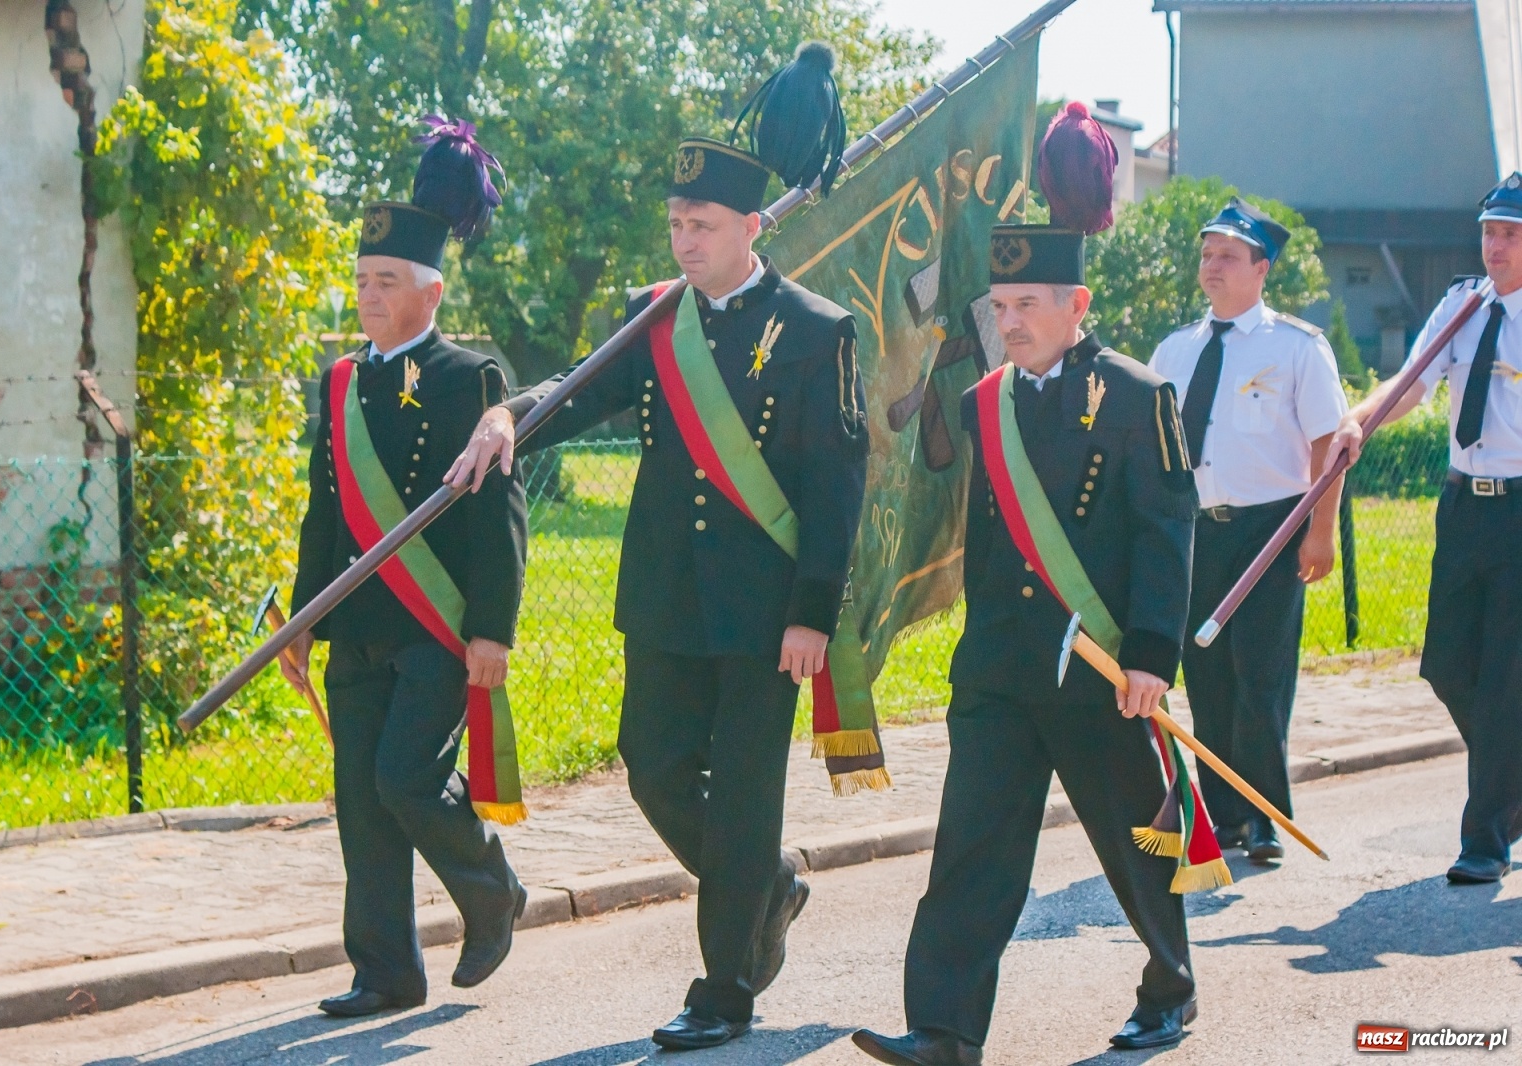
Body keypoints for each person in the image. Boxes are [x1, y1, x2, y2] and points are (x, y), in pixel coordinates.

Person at [446, 43, 866, 1053]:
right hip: (667, 598)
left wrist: (813, 611)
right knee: (653, 771)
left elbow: (835, 485)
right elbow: (575, 394)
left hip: (766, 614)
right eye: (675, 224)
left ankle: (724, 989)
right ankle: (765, 884)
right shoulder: (653, 321)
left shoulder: (816, 331)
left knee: (747, 796)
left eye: (702, 225)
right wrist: (507, 415)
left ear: (751, 226)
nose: (684, 241)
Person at [853, 105, 1215, 1064]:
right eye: (1001, 306)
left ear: (1076, 305)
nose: (1008, 323)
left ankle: (1169, 986)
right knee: (970, 852)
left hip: (1102, 671)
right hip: (1002, 672)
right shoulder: (985, 402)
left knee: (1137, 843)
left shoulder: (1138, 397)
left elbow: (1166, 532)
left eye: (1026, 306)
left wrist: (1151, 657)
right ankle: (944, 1028)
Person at [285, 117, 529, 1017]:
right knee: (360, 801)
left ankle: (492, 890)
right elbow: (324, 512)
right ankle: (385, 970)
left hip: (434, 627)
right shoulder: (341, 383)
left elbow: (500, 517)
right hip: (357, 625)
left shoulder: (471, 379)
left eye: (386, 282)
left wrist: (491, 631)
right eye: (361, 281)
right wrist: (302, 622)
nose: (368, 296)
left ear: (430, 291)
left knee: (405, 778)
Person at [1327, 173, 1522, 885]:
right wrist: (1361, 421)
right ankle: (1510, 775)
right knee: (1446, 664)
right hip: (1463, 505)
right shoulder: (1461, 304)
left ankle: (1485, 839)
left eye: (1511, 234)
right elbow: (1411, 381)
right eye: (1489, 232)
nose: (1495, 246)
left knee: (1503, 678)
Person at [1147, 197, 1348, 863]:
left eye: (1229, 256)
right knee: (1207, 679)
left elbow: (1328, 447)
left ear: (1262, 269)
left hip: (1270, 531)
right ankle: (1225, 814)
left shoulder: (1296, 347)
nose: (1213, 265)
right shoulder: (1175, 350)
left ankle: (1266, 816)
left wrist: (1320, 532)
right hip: (1196, 532)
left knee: (1259, 678)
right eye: (1207, 254)